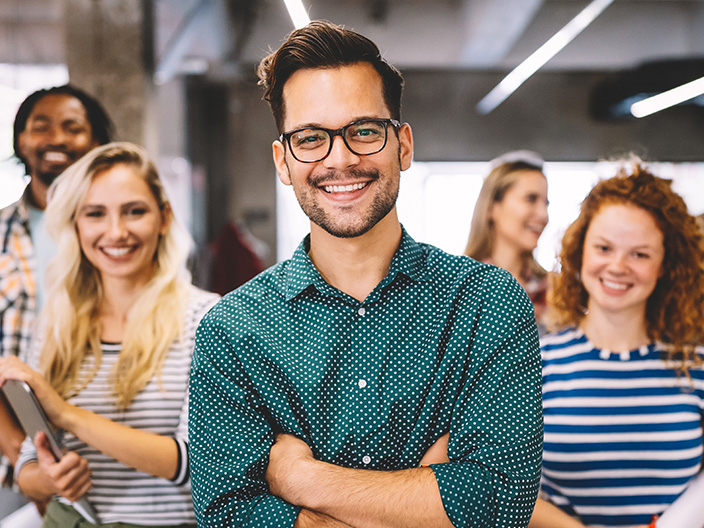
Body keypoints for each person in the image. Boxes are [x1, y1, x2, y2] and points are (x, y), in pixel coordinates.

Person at [189, 20, 543, 528]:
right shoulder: (231, 330)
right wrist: (427, 497)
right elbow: (227, 516)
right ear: (282, 161)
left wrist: (299, 480)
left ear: (403, 145)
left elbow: (497, 504)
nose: (341, 158)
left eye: (364, 131)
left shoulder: (487, 302)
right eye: (311, 138)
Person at [0, 142, 219, 526]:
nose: (116, 232)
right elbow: (26, 468)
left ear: (164, 218)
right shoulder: (57, 322)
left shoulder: (205, 317)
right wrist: (49, 480)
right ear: (75, 224)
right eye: (95, 214)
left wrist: (65, 414)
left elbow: (189, 462)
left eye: (135, 212)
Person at [530, 161, 704, 527]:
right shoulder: (536, 362)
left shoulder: (695, 366)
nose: (618, 266)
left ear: (665, 266)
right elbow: (499, 486)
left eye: (639, 254)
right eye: (604, 248)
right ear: (579, 253)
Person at [0, 84, 113, 520]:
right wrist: (22, 460)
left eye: (72, 127)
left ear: (97, 142)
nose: (56, 139)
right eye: (40, 126)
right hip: (13, 451)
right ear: (21, 141)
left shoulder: (117, 234)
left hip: (111, 446)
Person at [464, 151, 549, 323]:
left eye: (546, 203)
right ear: (492, 207)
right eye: (530, 199)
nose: (543, 215)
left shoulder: (552, 290)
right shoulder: (464, 287)